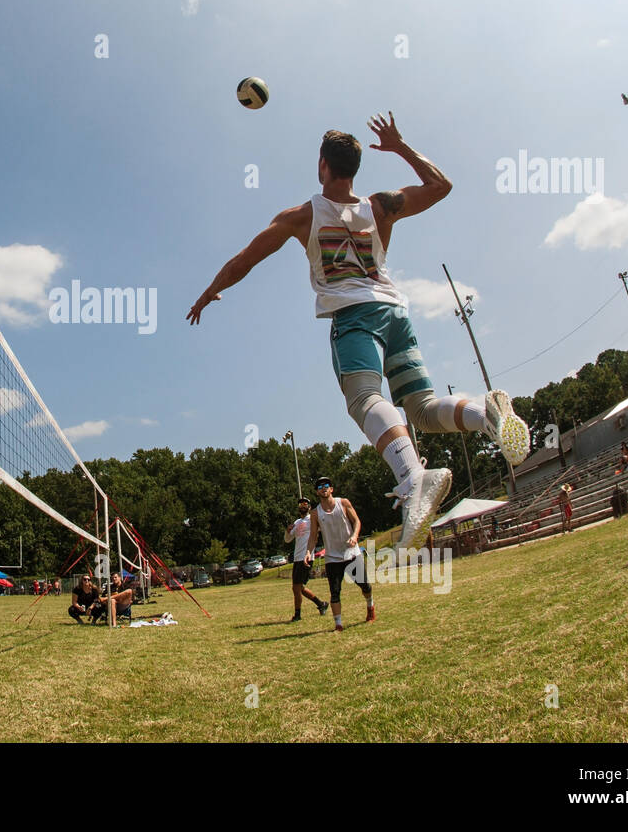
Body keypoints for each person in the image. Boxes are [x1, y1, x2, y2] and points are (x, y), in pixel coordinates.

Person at [188, 114, 529, 550]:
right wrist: (401, 146)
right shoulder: (381, 205)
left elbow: (244, 260)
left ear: (322, 165)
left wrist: (208, 292)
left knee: (365, 400)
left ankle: (413, 477)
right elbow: (441, 186)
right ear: (353, 168)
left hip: (354, 318)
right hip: (396, 312)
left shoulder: (301, 215)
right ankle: (486, 414)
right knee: (421, 410)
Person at [307, 477, 373, 632]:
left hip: (352, 553)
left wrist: (355, 536)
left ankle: (370, 606)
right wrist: (308, 552)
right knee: (334, 592)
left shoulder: (343, 503)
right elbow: (313, 536)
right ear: (317, 492)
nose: (323, 488)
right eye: (320, 486)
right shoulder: (315, 513)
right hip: (332, 558)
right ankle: (338, 624)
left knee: (365, 585)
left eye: (326, 485)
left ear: (331, 489)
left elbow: (356, 521)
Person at [285, 497, 329, 622]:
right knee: (299, 588)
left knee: (297, 587)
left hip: (306, 557)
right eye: (300, 504)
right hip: (297, 558)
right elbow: (288, 540)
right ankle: (321, 604)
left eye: (305, 503)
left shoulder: (312, 519)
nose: (302, 505)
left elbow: (322, 528)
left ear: (309, 507)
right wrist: (287, 531)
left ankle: (297, 615)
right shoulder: (297, 522)